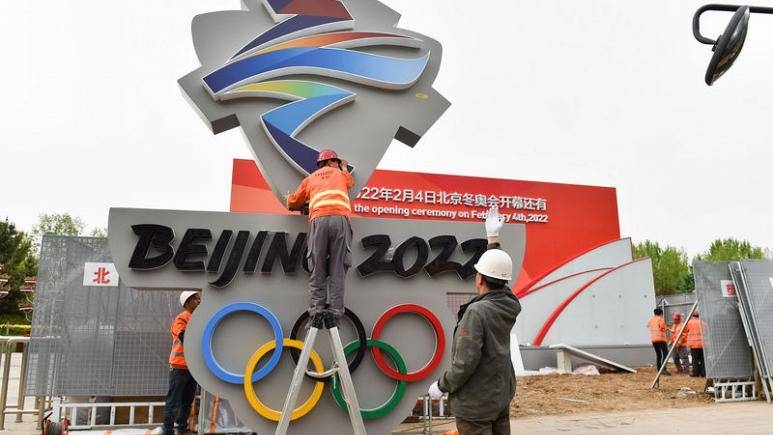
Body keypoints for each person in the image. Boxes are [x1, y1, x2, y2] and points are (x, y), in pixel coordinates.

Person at [427, 206, 521, 435]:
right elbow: (498, 274)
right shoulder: (507, 304)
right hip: (499, 398)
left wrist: (441, 386)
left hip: (475, 405)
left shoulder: (477, 313)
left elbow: (465, 362)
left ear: (479, 278)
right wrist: (493, 240)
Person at [286, 149, 354, 319]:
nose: (339, 165)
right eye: (337, 162)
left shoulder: (311, 178)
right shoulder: (341, 175)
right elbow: (350, 182)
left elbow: (294, 202)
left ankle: (317, 310)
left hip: (318, 221)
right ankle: (336, 313)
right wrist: (344, 167)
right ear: (332, 162)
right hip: (340, 219)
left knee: (317, 266)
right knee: (338, 268)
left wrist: (289, 199)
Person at [154, 291, 201, 435]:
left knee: (187, 401)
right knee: (174, 401)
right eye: (195, 299)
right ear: (186, 303)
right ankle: (168, 429)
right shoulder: (182, 318)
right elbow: (184, 336)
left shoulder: (198, 318)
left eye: (199, 299)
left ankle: (182, 428)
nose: (199, 301)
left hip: (192, 367)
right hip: (179, 366)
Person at [647, 308, 670, 375]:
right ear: (661, 313)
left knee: (658, 355)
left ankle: (659, 369)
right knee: (666, 353)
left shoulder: (651, 319)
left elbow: (648, 325)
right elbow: (663, 328)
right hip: (660, 339)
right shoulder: (660, 319)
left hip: (653, 340)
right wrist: (667, 327)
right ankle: (663, 369)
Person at [685, 310, 705, 377]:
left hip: (693, 344)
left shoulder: (689, 323)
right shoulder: (703, 323)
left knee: (695, 359)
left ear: (693, 315)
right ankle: (703, 373)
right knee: (702, 359)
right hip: (703, 344)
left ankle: (696, 373)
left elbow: (685, 331)